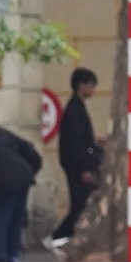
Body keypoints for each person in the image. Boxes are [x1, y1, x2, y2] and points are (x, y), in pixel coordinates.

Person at [48, 67, 103, 248]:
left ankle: (63, 239)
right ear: (82, 85)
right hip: (77, 166)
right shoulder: (74, 110)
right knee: (80, 205)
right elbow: (76, 143)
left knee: (80, 204)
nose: (93, 91)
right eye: (91, 86)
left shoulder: (76, 108)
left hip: (77, 164)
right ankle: (58, 238)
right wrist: (84, 168)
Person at [0, 122, 42, 262]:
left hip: (3, 179)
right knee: (14, 218)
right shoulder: (3, 137)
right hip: (24, 175)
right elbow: (33, 154)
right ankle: (12, 254)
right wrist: (30, 172)